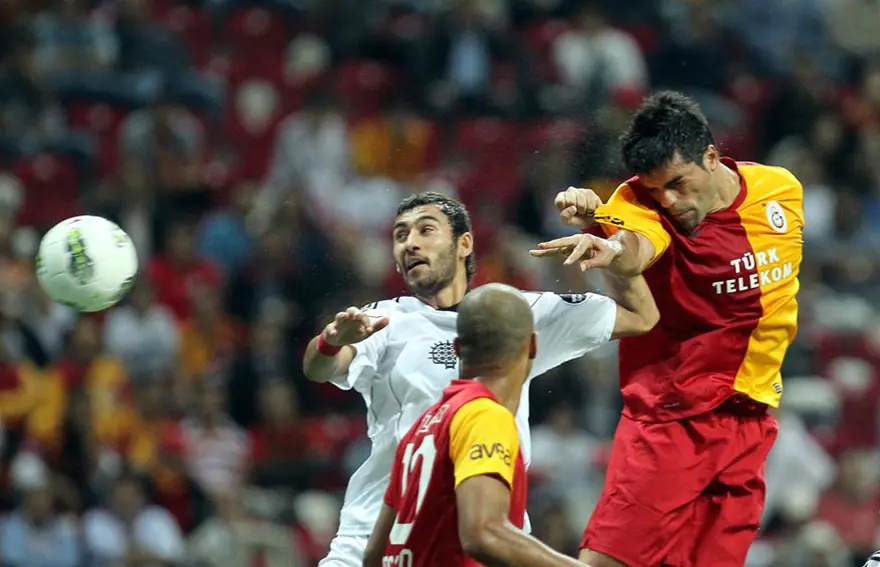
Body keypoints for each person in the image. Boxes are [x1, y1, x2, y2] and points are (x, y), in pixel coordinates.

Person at [303, 191, 659, 566]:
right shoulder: (384, 320)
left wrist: (603, 236)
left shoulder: (512, 313)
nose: (411, 243)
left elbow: (641, 316)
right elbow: (318, 368)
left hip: (475, 542)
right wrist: (331, 340)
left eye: (426, 230)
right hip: (387, 534)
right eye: (401, 235)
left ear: (464, 243)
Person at [531, 91, 804, 567]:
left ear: (713, 156)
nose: (670, 202)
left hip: (749, 424)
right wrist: (613, 248)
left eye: (678, 183)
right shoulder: (636, 202)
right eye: (658, 191)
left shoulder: (781, 190)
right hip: (671, 422)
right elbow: (636, 244)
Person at [363, 284, 591, 567]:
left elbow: (373, 554)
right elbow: (483, 533)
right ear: (532, 346)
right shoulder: (485, 417)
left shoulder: (421, 427)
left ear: (458, 349)